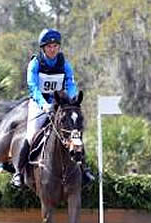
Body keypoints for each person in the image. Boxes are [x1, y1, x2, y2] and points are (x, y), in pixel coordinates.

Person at [10, 28, 94, 187]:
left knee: (74, 133)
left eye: (55, 46)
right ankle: (18, 174)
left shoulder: (65, 64)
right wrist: (44, 105)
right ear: (43, 48)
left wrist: (71, 101)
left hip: (59, 103)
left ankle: (84, 169)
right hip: (39, 103)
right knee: (31, 135)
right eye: (49, 46)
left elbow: (70, 84)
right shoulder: (35, 64)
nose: (52, 49)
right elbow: (33, 87)